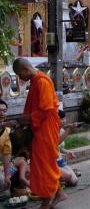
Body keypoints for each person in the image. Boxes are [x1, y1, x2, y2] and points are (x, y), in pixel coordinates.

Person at [12, 58, 64, 209]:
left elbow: (46, 110)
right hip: (40, 127)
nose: (20, 78)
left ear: (25, 70)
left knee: (45, 164)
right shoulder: (36, 81)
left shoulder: (42, 82)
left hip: (46, 128)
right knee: (43, 164)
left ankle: (46, 202)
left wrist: (27, 118)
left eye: (19, 75)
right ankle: (59, 193)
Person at [0, 100, 17, 200]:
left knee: (6, 193)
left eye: (4, 111)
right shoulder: (4, 126)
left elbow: (6, 154)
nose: (2, 113)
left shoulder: (8, 131)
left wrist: (7, 176)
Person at [57, 111, 79, 187]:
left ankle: (62, 179)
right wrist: (69, 130)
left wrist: (68, 152)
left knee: (74, 181)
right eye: (61, 119)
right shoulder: (50, 131)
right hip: (51, 163)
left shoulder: (62, 131)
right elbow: (55, 143)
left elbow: (59, 148)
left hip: (59, 161)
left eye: (64, 119)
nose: (63, 121)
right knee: (69, 176)